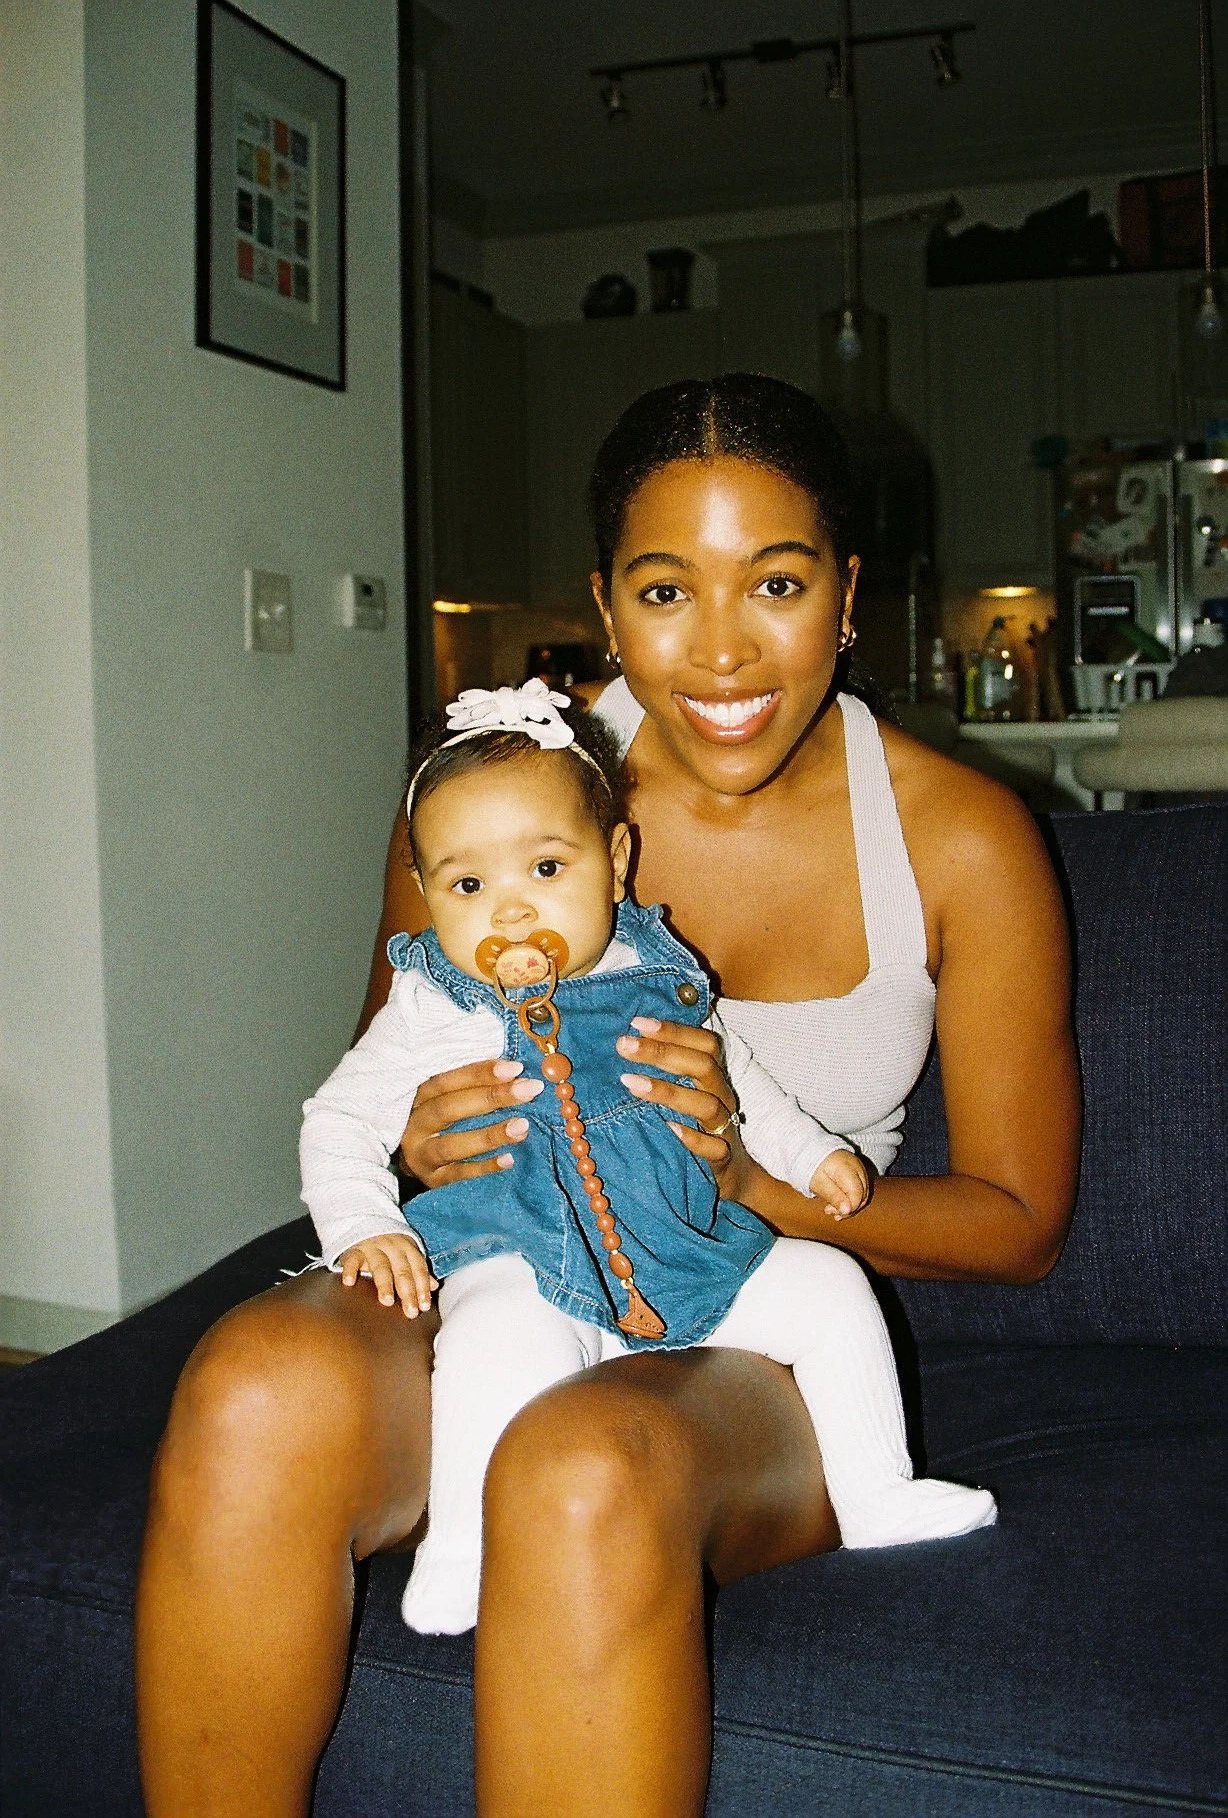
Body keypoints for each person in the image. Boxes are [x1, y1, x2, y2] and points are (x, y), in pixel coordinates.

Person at [135, 373, 1079, 1818]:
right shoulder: (489, 804)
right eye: (663, 590)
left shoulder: (961, 840)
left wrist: (758, 1184)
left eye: (776, 583)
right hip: (511, 1274)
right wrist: (419, 1140)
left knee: (580, 1467)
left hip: (748, 1321)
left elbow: (1021, 1224)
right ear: (606, 605)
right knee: (252, 1386)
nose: (721, 648)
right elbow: (385, 1079)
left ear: (846, 595)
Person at [301, 683, 995, 1636]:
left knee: (831, 1286)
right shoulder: (434, 1005)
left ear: (617, 862)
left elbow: (738, 1082)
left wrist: (810, 1155)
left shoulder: (659, 974)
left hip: (681, 1251)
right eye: (468, 888)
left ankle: (877, 1491)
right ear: (425, 896)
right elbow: (338, 1117)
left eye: (547, 867)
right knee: (499, 1344)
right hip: (524, 1257)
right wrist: (364, 1224)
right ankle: (464, 1548)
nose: (511, 911)